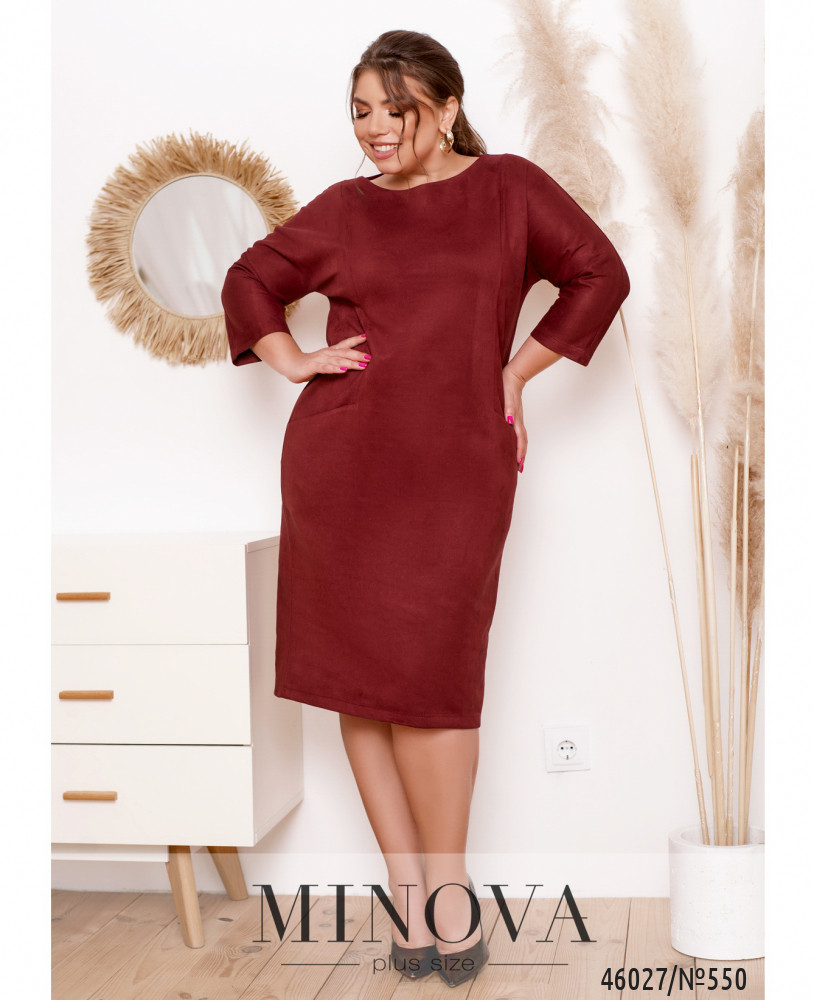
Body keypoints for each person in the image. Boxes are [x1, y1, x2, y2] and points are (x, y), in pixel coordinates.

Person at [221, 28, 630, 988]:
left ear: (447, 108)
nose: (376, 129)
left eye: (396, 109)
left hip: (457, 471)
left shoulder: (509, 188)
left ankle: (449, 892)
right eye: (361, 111)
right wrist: (294, 360)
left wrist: (515, 374)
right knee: (361, 684)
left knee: (434, 682)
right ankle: (410, 897)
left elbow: (601, 274)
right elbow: (249, 280)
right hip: (342, 472)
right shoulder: (346, 209)